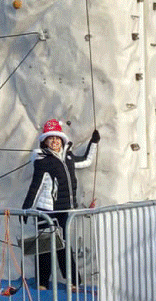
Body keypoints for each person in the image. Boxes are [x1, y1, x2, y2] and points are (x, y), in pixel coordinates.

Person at [21, 119, 100, 290]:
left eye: (57, 138)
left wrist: (93, 143)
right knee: (44, 247)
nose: (55, 142)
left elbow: (86, 160)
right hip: (46, 210)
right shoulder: (43, 160)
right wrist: (26, 209)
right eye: (51, 139)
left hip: (64, 210)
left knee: (63, 246)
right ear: (45, 142)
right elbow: (36, 186)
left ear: (62, 140)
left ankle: (73, 282)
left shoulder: (69, 157)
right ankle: (42, 283)